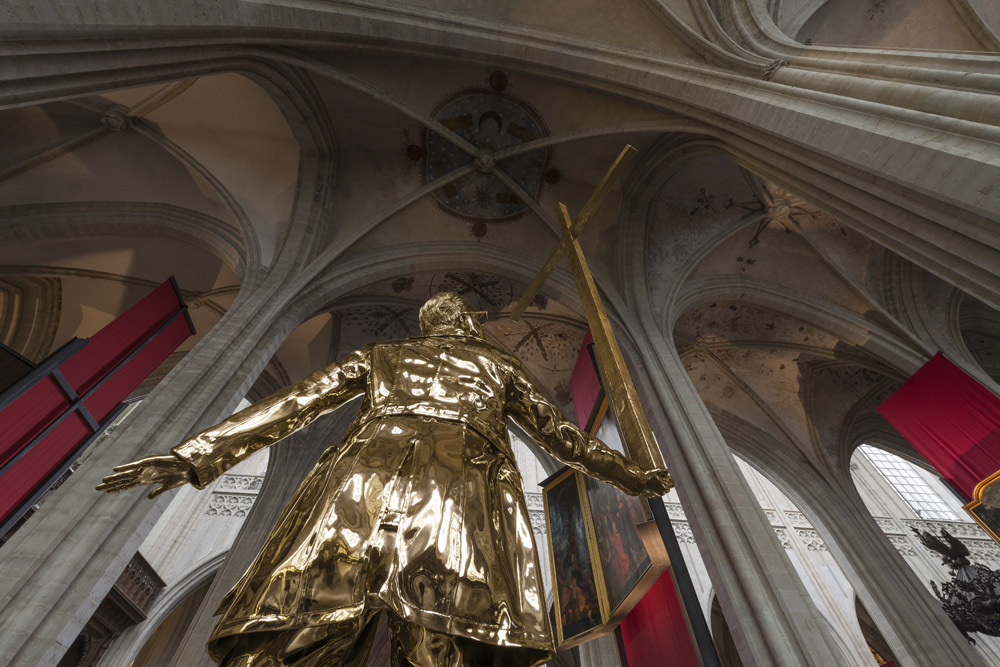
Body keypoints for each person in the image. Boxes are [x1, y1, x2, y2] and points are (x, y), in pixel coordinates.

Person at [97, 292, 672, 667]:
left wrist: (196, 454)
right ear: (468, 325)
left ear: (426, 328)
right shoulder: (497, 366)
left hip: (360, 485)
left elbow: (295, 403)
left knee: (306, 630)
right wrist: (632, 473)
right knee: (444, 640)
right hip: (456, 494)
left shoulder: (381, 354)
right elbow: (563, 440)